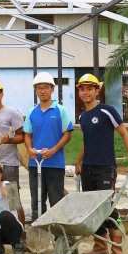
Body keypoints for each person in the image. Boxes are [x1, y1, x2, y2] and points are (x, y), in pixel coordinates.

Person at [75, 73, 128, 254]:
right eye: (82, 89)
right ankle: (100, 247)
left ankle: (117, 252)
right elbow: (87, 142)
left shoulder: (107, 111)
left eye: (90, 88)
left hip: (105, 168)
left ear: (97, 91)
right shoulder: (83, 116)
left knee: (108, 209)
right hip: (87, 168)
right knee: (93, 210)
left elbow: (124, 133)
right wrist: (78, 162)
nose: (86, 92)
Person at [23, 72, 74, 221]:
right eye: (39, 88)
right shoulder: (32, 112)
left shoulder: (60, 110)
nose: (42, 91)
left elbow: (67, 134)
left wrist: (53, 150)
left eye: (46, 87)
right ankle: (40, 234)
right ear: (35, 90)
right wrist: (29, 149)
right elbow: (27, 134)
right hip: (35, 163)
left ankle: (59, 236)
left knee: (56, 200)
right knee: (36, 201)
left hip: (55, 163)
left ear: (52, 89)